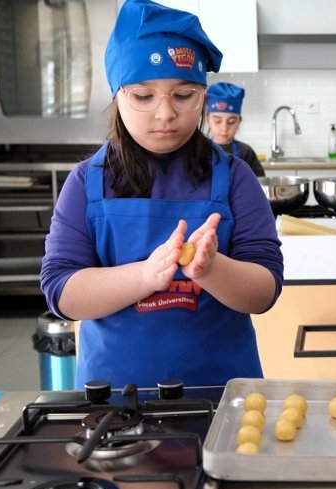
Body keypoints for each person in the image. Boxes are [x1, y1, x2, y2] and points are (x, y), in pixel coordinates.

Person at [40, 0, 283, 389]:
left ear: (203, 96)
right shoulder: (87, 182)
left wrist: (211, 269)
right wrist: (145, 275)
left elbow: (265, 289)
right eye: (143, 96)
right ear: (117, 96)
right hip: (115, 401)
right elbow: (62, 292)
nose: (165, 113)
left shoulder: (236, 178)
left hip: (222, 397)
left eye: (183, 96)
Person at [205, 82, 266, 177]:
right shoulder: (199, 151)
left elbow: (259, 184)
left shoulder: (246, 152)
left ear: (239, 122)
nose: (224, 128)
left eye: (231, 121)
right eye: (217, 121)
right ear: (207, 120)